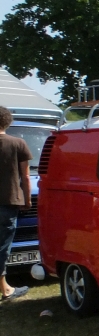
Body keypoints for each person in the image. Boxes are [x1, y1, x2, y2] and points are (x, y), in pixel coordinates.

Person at [0, 106, 32, 301]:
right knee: (2, 247)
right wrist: (27, 200)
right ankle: (6, 290)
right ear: (8, 122)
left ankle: (5, 287)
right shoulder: (18, 143)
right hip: (8, 202)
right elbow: (25, 177)